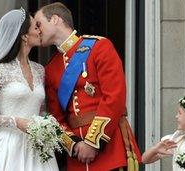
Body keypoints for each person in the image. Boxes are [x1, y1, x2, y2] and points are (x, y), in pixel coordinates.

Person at [34, 2, 141, 171]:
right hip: (77, 157)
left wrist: (92, 142)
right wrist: (75, 146)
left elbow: (114, 98)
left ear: (55, 19)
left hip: (111, 150)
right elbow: (56, 117)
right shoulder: (51, 67)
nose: (36, 30)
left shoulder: (99, 47)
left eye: (39, 24)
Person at [0, 8, 58, 171]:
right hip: (8, 147)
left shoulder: (39, 70)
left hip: (37, 148)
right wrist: (15, 121)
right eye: (35, 27)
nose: (39, 30)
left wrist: (46, 124)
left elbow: (41, 110)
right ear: (24, 35)